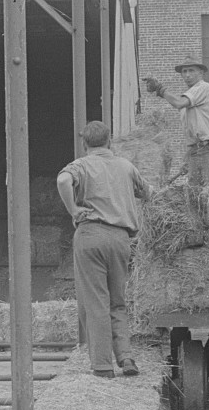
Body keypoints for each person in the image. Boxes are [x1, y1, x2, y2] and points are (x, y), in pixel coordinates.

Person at [57, 121, 151, 379]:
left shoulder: (81, 165)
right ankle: (126, 357)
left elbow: (63, 180)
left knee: (96, 301)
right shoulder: (125, 166)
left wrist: (74, 210)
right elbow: (149, 193)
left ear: (84, 144)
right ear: (110, 141)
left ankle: (102, 365)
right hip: (121, 239)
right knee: (117, 301)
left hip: (91, 236)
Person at [143, 56, 209, 188]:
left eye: (191, 70)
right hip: (195, 150)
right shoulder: (189, 95)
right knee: (194, 196)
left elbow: (178, 103)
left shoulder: (203, 87)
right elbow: (192, 132)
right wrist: (187, 158)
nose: (187, 75)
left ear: (201, 73)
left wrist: (160, 89)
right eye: (184, 71)